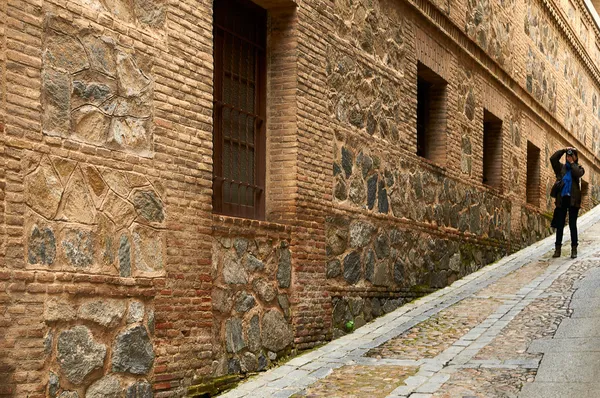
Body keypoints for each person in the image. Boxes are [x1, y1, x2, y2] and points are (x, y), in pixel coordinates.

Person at [550, 147, 585, 258]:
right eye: (568, 156)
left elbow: (578, 173)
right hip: (562, 199)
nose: (568, 157)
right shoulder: (561, 168)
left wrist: (572, 163)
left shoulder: (579, 168)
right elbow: (553, 159)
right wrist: (564, 150)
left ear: (575, 157)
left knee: (572, 225)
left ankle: (574, 249)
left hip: (573, 201)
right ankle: (557, 249)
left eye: (571, 155)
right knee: (560, 225)